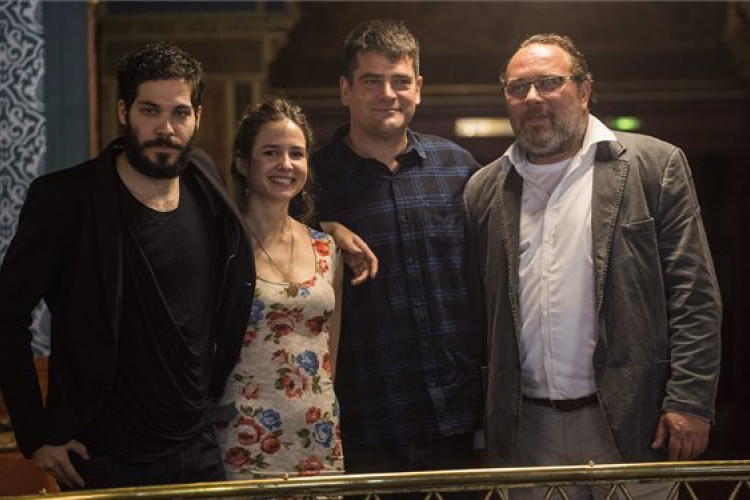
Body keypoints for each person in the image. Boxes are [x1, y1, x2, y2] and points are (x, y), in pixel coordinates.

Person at [463, 33, 722, 498]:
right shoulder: (484, 189)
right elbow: (477, 318)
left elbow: (694, 295)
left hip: (632, 421)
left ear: (584, 91)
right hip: (527, 431)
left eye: (549, 82)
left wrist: (690, 399)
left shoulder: (653, 166)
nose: (532, 97)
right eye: (518, 88)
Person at [0, 41, 256, 489]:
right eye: (149, 110)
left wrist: (329, 230)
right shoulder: (65, 199)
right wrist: (35, 435)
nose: (165, 128)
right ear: (124, 111)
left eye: (179, 113)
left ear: (198, 116)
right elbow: (6, 316)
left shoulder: (205, 179)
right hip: (103, 455)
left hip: (197, 447)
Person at [312, 19, 484, 475]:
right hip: (363, 423)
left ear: (419, 89)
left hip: (456, 420)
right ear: (346, 90)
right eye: (372, 81)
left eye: (401, 81)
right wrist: (321, 227)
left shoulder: (458, 168)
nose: (388, 94)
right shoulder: (309, 181)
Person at [215, 96, 345, 479]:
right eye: (271, 152)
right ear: (243, 162)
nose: (285, 164)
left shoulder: (327, 247)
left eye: (296, 154)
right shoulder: (222, 246)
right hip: (243, 435)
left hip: (317, 431)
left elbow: (331, 351)